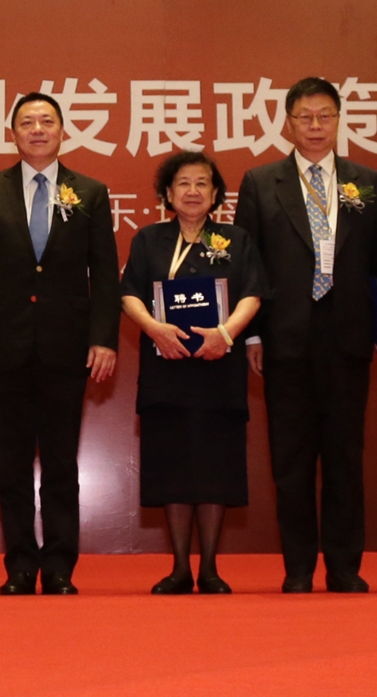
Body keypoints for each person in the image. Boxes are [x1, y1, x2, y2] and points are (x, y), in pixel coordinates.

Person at [236, 77, 377, 594]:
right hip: (285, 336)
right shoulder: (260, 182)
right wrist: (252, 336)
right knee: (290, 459)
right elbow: (249, 265)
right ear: (287, 123)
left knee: (344, 457)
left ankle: (344, 566)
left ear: (338, 120)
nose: (315, 126)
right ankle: (298, 568)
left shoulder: (366, 180)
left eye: (325, 116)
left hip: (348, 334)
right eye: (305, 117)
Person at [0, 91, 120, 595]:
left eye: (47, 121)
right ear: (14, 134)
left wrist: (104, 339)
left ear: (62, 131)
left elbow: (105, 275)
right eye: (27, 122)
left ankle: (61, 566)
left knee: (61, 462)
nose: (38, 129)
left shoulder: (90, 192)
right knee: (10, 462)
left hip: (66, 346)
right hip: (3, 345)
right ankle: (20, 565)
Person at [121, 151, 263, 594]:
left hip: (219, 369)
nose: (193, 191)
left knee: (215, 466)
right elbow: (129, 294)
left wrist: (226, 333)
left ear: (216, 193)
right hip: (166, 368)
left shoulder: (236, 239)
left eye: (202, 183)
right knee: (174, 467)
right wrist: (154, 329)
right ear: (167, 193)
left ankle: (211, 569)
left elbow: (253, 294)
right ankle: (180, 568)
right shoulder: (149, 239)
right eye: (183, 183)